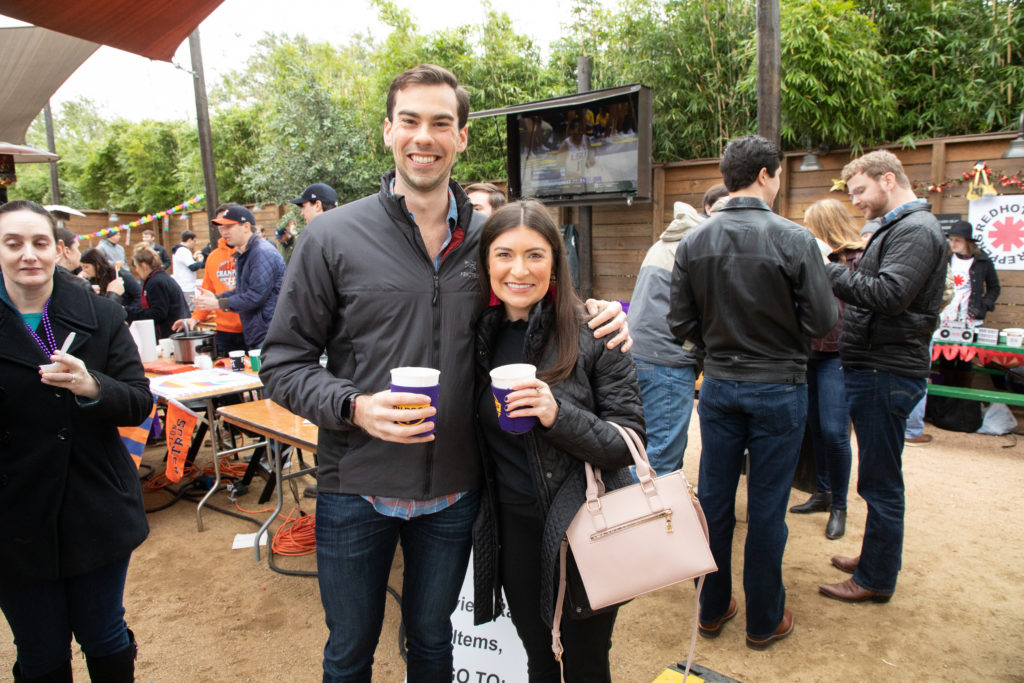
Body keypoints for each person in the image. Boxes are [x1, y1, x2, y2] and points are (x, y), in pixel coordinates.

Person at [259, 64, 629, 682]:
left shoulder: (491, 241)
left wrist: (603, 315)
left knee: (433, 644)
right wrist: (355, 406)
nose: (423, 137)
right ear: (388, 131)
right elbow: (282, 362)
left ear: (461, 137)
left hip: (456, 492)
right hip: (356, 483)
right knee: (349, 651)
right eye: (410, 121)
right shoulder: (331, 236)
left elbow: (542, 294)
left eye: (440, 123)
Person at [668, 134, 836, 649]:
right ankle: (764, 619)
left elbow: (679, 322)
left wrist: (715, 348)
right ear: (766, 174)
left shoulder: (694, 240)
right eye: (778, 174)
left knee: (715, 501)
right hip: (779, 386)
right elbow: (824, 320)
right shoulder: (795, 238)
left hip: (720, 385)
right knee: (766, 506)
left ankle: (711, 608)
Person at [471, 201, 644, 681]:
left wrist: (557, 415)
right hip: (513, 533)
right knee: (540, 659)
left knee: (586, 663)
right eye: (504, 255)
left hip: (584, 528)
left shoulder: (595, 330)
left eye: (535, 255)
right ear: (486, 262)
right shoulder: (477, 335)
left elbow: (628, 442)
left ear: (555, 263)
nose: (519, 270)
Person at [0, 200, 151, 682]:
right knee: (40, 649)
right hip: (13, 514)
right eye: (13, 243)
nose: (28, 254)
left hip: (94, 503)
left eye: (39, 242)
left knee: (103, 633)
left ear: (58, 250)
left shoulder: (101, 315)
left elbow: (139, 401)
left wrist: (92, 386)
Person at [818, 149, 946, 604]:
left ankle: (875, 578)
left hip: (885, 368)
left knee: (880, 480)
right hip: (878, 366)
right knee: (877, 473)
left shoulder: (915, 229)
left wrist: (826, 270)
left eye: (860, 191)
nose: (855, 201)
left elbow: (890, 295)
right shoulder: (901, 227)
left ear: (887, 179)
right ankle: (875, 558)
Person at [788, 199, 865, 540]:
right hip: (810, 352)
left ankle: (840, 505)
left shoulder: (857, 259)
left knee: (835, 431)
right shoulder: (810, 257)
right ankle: (822, 492)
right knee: (816, 427)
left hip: (838, 354)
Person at [625, 201, 703, 477]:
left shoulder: (666, 242)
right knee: (659, 459)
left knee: (643, 448)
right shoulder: (698, 246)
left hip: (642, 354)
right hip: (668, 360)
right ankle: (632, 504)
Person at [193, 205, 285, 350]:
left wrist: (218, 303)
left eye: (229, 227)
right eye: (222, 227)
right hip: (260, 331)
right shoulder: (248, 251)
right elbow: (243, 290)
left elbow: (255, 296)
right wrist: (217, 297)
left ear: (246, 226)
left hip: (268, 333)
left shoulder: (261, 252)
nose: (224, 232)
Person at [173, 205, 247, 357]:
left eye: (228, 224)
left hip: (252, 328)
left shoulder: (251, 254)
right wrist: (195, 319)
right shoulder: (213, 257)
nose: (224, 229)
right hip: (225, 331)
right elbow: (207, 293)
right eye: (220, 225)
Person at [127, 246, 189, 341]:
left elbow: (158, 313)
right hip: (175, 332)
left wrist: (129, 312)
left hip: (169, 335)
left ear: (143, 265)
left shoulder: (156, 282)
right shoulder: (161, 277)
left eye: (136, 266)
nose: (136, 270)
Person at [171, 229, 204, 304]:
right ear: (189, 240)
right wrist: (200, 261)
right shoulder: (183, 251)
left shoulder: (178, 250)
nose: (194, 243)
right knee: (190, 307)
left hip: (180, 283)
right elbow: (193, 267)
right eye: (194, 241)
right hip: (186, 285)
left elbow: (184, 263)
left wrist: (193, 258)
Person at [54, 227, 91, 292]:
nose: (79, 253)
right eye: (77, 248)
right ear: (67, 251)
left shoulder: (45, 280)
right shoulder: (80, 285)